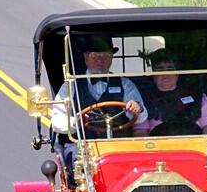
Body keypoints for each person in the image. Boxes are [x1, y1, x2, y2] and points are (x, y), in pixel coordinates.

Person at [51, 35, 148, 168]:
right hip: (83, 147)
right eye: (94, 55)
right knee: (75, 157)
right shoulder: (70, 85)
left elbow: (141, 117)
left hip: (119, 147)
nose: (100, 60)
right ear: (86, 57)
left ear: (111, 58)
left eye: (105, 55)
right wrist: (75, 122)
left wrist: (138, 108)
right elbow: (56, 121)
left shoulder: (125, 84)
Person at [134, 49, 207, 136]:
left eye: (170, 69)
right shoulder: (144, 99)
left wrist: (206, 143)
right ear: (153, 74)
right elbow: (140, 132)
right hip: (160, 147)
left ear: (177, 73)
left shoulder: (196, 96)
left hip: (193, 145)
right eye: (160, 70)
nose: (165, 75)